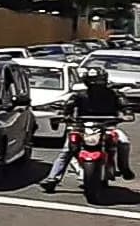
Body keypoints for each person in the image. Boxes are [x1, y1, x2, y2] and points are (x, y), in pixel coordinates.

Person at [40, 63, 133, 191]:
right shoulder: (79, 95)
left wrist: (127, 114)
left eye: (99, 81)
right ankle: (53, 178)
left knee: (123, 142)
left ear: (104, 80)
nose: (96, 85)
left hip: (108, 126)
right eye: (93, 82)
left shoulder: (114, 94)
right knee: (67, 150)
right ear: (87, 82)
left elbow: (125, 105)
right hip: (82, 127)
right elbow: (68, 107)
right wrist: (64, 115)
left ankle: (124, 168)